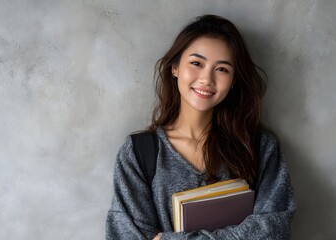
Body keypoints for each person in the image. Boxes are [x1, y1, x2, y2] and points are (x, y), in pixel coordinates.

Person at [105, 14, 296, 239]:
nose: (207, 79)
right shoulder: (139, 153)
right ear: (175, 67)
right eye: (196, 63)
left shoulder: (260, 147)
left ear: (234, 79)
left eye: (222, 69)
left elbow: (275, 229)